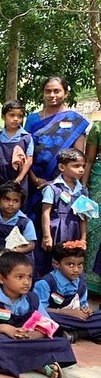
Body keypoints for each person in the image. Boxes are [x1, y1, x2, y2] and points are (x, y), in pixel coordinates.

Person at [0, 251, 76, 378]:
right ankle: (39, 363)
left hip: (25, 339)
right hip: (3, 340)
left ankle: (30, 362)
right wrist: (3, 328)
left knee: (63, 343)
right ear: (1, 278)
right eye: (19, 277)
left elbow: (47, 324)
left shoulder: (32, 298)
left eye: (29, 277)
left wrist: (31, 336)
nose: (26, 282)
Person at [25, 76, 89, 216]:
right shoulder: (32, 119)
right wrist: (34, 179)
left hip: (63, 183)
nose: (52, 95)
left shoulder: (75, 120)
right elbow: (25, 151)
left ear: (65, 94)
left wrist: (58, 181)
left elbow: (78, 157)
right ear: (43, 93)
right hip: (34, 179)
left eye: (57, 91)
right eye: (48, 91)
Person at [34, 241, 101, 343]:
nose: (76, 269)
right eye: (70, 265)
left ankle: (75, 333)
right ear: (56, 264)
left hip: (75, 320)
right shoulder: (45, 283)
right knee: (44, 318)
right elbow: (39, 309)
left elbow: (83, 304)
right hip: (57, 317)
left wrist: (86, 310)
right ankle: (87, 332)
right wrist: (66, 312)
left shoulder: (81, 284)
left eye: (80, 265)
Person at [39, 148, 89, 272]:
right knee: (53, 260)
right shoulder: (52, 188)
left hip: (74, 229)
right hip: (55, 229)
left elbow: (83, 216)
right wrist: (46, 236)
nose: (81, 169)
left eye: (83, 166)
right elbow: (45, 213)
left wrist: (83, 238)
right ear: (62, 167)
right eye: (76, 166)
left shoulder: (82, 191)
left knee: (71, 260)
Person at [0, 181, 37, 265]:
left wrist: (13, 251)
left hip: (17, 256)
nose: (11, 204)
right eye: (7, 199)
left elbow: (31, 245)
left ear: (21, 204)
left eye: (15, 201)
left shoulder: (25, 222)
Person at [0, 100, 33, 203]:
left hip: (19, 181)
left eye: (19, 116)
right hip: (0, 179)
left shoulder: (26, 138)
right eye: (11, 115)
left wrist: (19, 179)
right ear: (3, 116)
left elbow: (29, 160)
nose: (16, 119)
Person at [82, 111, 101, 293]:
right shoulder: (97, 126)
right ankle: (90, 283)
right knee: (94, 227)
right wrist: (83, 188)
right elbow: (89, 160)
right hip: (98, 181)